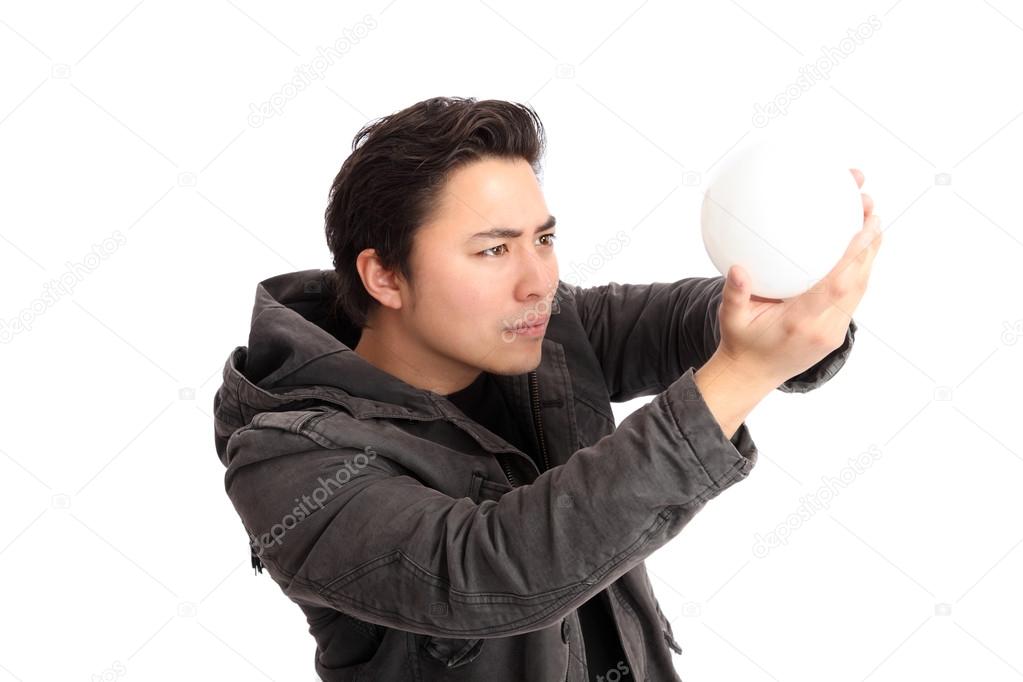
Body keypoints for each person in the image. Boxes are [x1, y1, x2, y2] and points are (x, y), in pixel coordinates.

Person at [212, 96, 881, 681]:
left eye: (544, 238)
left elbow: (690, 320)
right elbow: (491, 571)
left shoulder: (545, 333)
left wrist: (792, 274)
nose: (538, 281)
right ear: (384, 277)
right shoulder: (288, 462)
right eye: (493, 250)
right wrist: (743, 371)